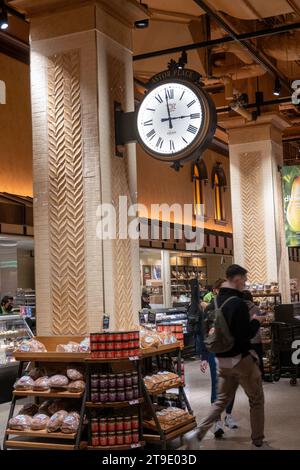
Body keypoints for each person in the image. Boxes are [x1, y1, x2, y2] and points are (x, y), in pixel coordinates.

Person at [185, 264, 267, 449]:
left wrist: (205, 356)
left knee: (221, 400)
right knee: (256, 399)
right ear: (237, 279)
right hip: (241, 360)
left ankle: (197, 433)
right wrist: (256, 321)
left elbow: (207, 333)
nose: (245, 284)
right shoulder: (237, 304)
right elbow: (244, 335)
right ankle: (258, 440)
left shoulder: (213, 303)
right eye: (244, 280)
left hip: (222, 361)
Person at [199, 278, 238, 437]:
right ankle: (217, 422)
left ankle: (228, 415)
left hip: (231, 351)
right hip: (215, 352)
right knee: (217, 385)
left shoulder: (232, 306)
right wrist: (203, 356)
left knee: (232, 385)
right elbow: (204, 333)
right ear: (215, 290)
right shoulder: (209, 308)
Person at [243, 290, 265, 378]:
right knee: (258, 357)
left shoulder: (239, 309)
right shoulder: (255, 308)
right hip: (256, 338)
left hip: (245, 338)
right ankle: (261, 375)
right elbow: (259, 322)